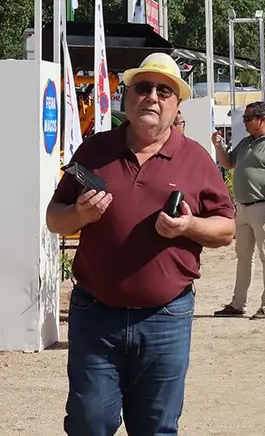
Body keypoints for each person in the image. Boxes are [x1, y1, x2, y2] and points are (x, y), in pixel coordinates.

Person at [46, 52, 236, 436]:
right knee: (88, 422)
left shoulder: (196, 158)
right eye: (142, 87)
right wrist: (79, 216)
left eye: (163, 90)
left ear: (176, 103)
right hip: (96, 314)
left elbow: (226, 230)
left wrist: (188, 225)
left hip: (166, 317)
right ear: (127, 97)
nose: (152, 96)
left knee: (156, 427)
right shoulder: (95, 151)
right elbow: (54, 217)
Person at [214, 101, 265, 320]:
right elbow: (229, 164)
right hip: (242, 208)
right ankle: (238, 304)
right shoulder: (246, 142)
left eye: (248, 119)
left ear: (262, 119)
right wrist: (218, 147)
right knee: (243, 257)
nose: (245, 123)